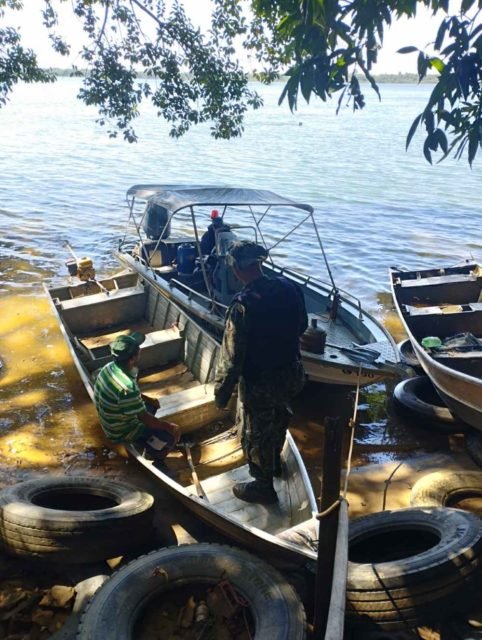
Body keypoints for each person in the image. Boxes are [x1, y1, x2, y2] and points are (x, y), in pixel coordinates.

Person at [214, 241, 308, 504]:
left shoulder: (242, 305)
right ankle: (274, 462)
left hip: (261, 382)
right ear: (260, 263)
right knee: (279, 417)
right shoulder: (290, 287)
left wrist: (221, 393)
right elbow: (302, 325)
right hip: (291, 373)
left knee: (256, 431)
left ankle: (263, 485)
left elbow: (232, 359)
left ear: (236, 269)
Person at [93, 332, 180, 471]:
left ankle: (150, 442)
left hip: (110, 421)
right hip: (119, 431)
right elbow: (145, 418)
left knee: (152, 405)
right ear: (133, 358)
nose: (140, 349)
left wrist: (148, 400)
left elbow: (132, 398)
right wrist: (170, 427)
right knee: (171, 435)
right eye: (138, 349)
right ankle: (158, 457)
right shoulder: (127, 387)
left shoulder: (109, 367)